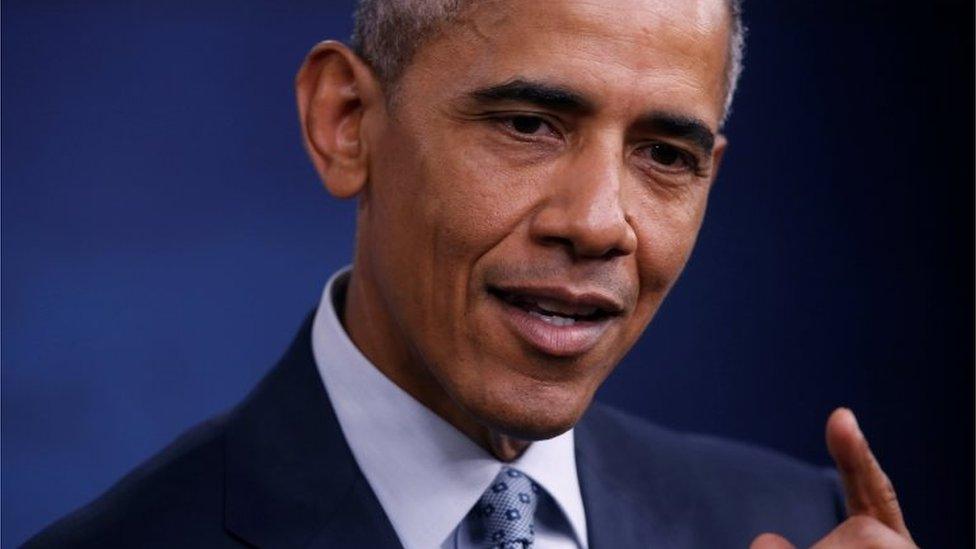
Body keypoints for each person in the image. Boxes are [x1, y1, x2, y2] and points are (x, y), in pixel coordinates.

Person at [26, 0, 918, 547]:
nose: (601, 222)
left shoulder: (802, 521)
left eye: (663, 155)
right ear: (346, 123)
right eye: (529, 124)